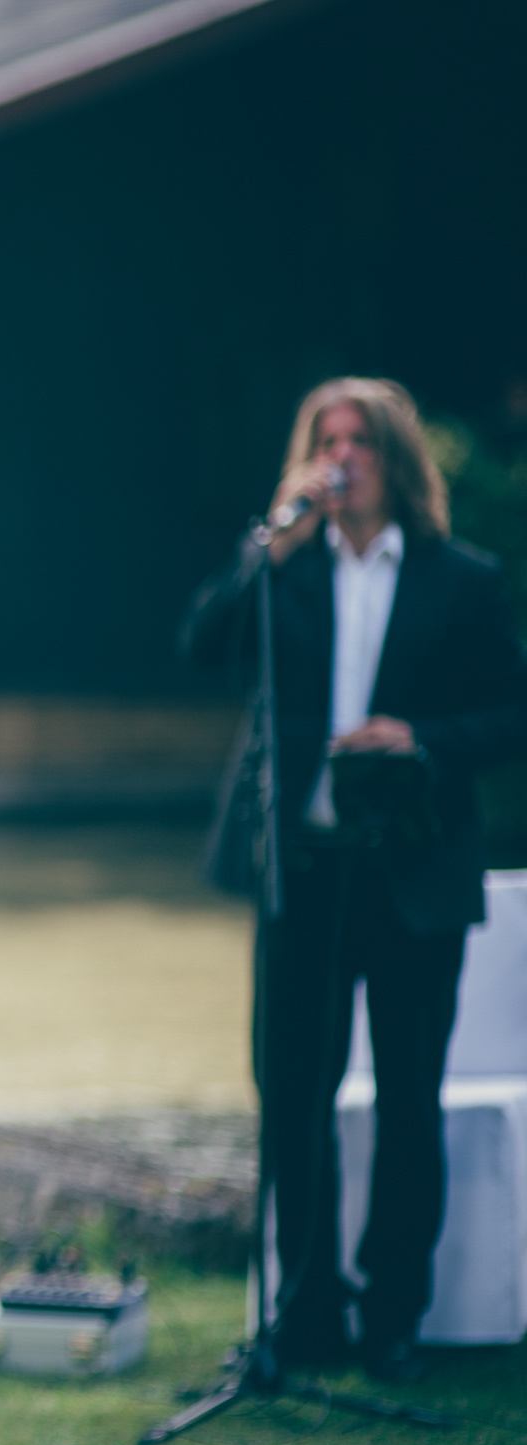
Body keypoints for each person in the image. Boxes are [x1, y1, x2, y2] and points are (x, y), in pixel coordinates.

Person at [183, 377, 527, 1384]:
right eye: (327, 441)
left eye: (361, 442)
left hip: (411, 871)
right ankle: (306, 1308)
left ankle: (393, 1314)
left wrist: (419, 738)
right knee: (293, 1093)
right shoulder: (283, 572)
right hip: (304, 873)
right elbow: (199, 646)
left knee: (410, 1098)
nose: (342, 459)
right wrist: (264, 549)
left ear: (395, 458)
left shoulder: (459, 578)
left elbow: (513, 713)